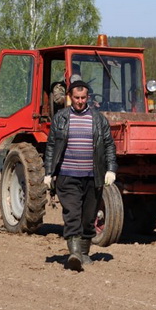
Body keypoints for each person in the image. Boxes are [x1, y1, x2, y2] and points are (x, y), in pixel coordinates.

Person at [43, 80, 118, 271]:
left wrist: (111, 169)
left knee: (88, 217)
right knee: (72, 214)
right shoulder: (61, 118)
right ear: (70, 97)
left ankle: (84, 252)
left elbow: (109, 145)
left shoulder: (98, 119)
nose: (80, 101)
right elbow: (51, 146)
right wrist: (49, 172)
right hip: (67, 175)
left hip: (93, 176)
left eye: (83, 98)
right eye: (76, 98)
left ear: (88, 98)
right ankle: (74, 253)